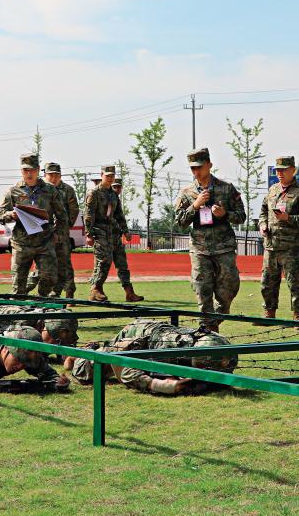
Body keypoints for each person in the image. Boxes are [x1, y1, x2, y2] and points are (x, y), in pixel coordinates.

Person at [174, 148, 246, 330]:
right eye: (192, 169)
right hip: (200, 248)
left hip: (224, 247)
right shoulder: (187, 193)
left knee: (229, 286)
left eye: (199, 167)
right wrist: (195, 205)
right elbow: (180, 221)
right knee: (202, 288)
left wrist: (224, 214)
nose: (196, 172)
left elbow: (241, 216)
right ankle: (207, 327)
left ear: (209, 165)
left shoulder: (227, 188)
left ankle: (217, 316)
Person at [67, 319, 237, 395]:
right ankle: (78, 355)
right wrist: (168, 386)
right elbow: (126, 370)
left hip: (155, 332)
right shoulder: (161, 349)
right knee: (89, 369)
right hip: (136, 335)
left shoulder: (213, 343)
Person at [0, 154, 67, 297]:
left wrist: (57, 234)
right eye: (25, 170)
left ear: (38, 170)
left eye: (32, 170)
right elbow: (1, 214)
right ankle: (20, 314)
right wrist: (10, 214)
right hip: (21, 243)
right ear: (21, 171)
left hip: (45, 241)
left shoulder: (50, 190)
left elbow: (62, 216)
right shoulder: (13, 191)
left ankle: (42, 306)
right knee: (18, 284)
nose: (29, 174)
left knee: (50, 277)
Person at [258, 156, 299, 322]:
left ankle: (298, 316)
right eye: (277, 170)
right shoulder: (272, 190)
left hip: (290, 247)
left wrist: (288, 218)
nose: (280, 173)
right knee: (267, 283)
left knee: (294, 284)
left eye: (283, 169)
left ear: (293, 170)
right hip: (271, 246)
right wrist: (263, 224)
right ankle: (269, 313)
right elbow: (263, 211)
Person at [84, 165, 143, 302]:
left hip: (113, 233)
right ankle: (96, 289)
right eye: (107, 176)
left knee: (122, 262)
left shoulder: (113, 194)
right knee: (104, 261)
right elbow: (88, 215)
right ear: (102, 175)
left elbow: (119, 215)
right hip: (99, 231)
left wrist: (126, 231)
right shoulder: (94, 193)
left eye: (112, 176)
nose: (110, 178)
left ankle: (129, 292)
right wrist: (89, 234)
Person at [43, 162, 80, 298]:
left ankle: (69, 292)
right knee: (45, 264)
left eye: (56, 175)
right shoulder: (41, 190)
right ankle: (51, 293)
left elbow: (74, 210)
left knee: (64, 263)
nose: (54, 178)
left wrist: (64, 227)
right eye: (50, 175)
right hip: (44, 234)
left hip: (62, 234)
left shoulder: (68, 190)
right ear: (45, 175)